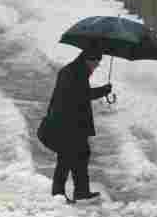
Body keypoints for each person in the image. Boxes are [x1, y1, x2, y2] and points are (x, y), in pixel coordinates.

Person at [46, 45, 113, 202]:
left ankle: (81, 191)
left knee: (81, 156)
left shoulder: (77, 71)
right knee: (66, 158)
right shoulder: (73, 73)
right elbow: (81, 95)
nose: (96, 67)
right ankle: (58, 193)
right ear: (88, 60)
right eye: (96, 63)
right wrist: (103, 90)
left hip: (75, 123)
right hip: (68, 123)